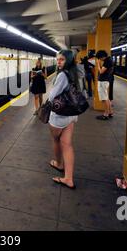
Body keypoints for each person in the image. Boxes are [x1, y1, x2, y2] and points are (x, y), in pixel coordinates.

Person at [47, 50, 80, 189]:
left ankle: (59, 164)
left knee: (56, 140)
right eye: (58, 59)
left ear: (68, 60)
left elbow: (51, 97)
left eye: (62, 59)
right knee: (67, 144)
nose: (59, 62)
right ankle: (68, 179)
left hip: (60, 116)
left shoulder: (62, 75)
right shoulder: (76, 73)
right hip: (72, 114)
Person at [95, 50, 114, 120]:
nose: (100, 60)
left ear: (102, 56)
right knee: (106, 98)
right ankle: (110, 112)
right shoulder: (109, 60)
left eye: (100, 58)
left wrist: (98, 64)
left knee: (104, 99)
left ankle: (106, 114)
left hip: (103, 81)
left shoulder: (107, 61)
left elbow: (101, 71)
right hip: (105, 81)